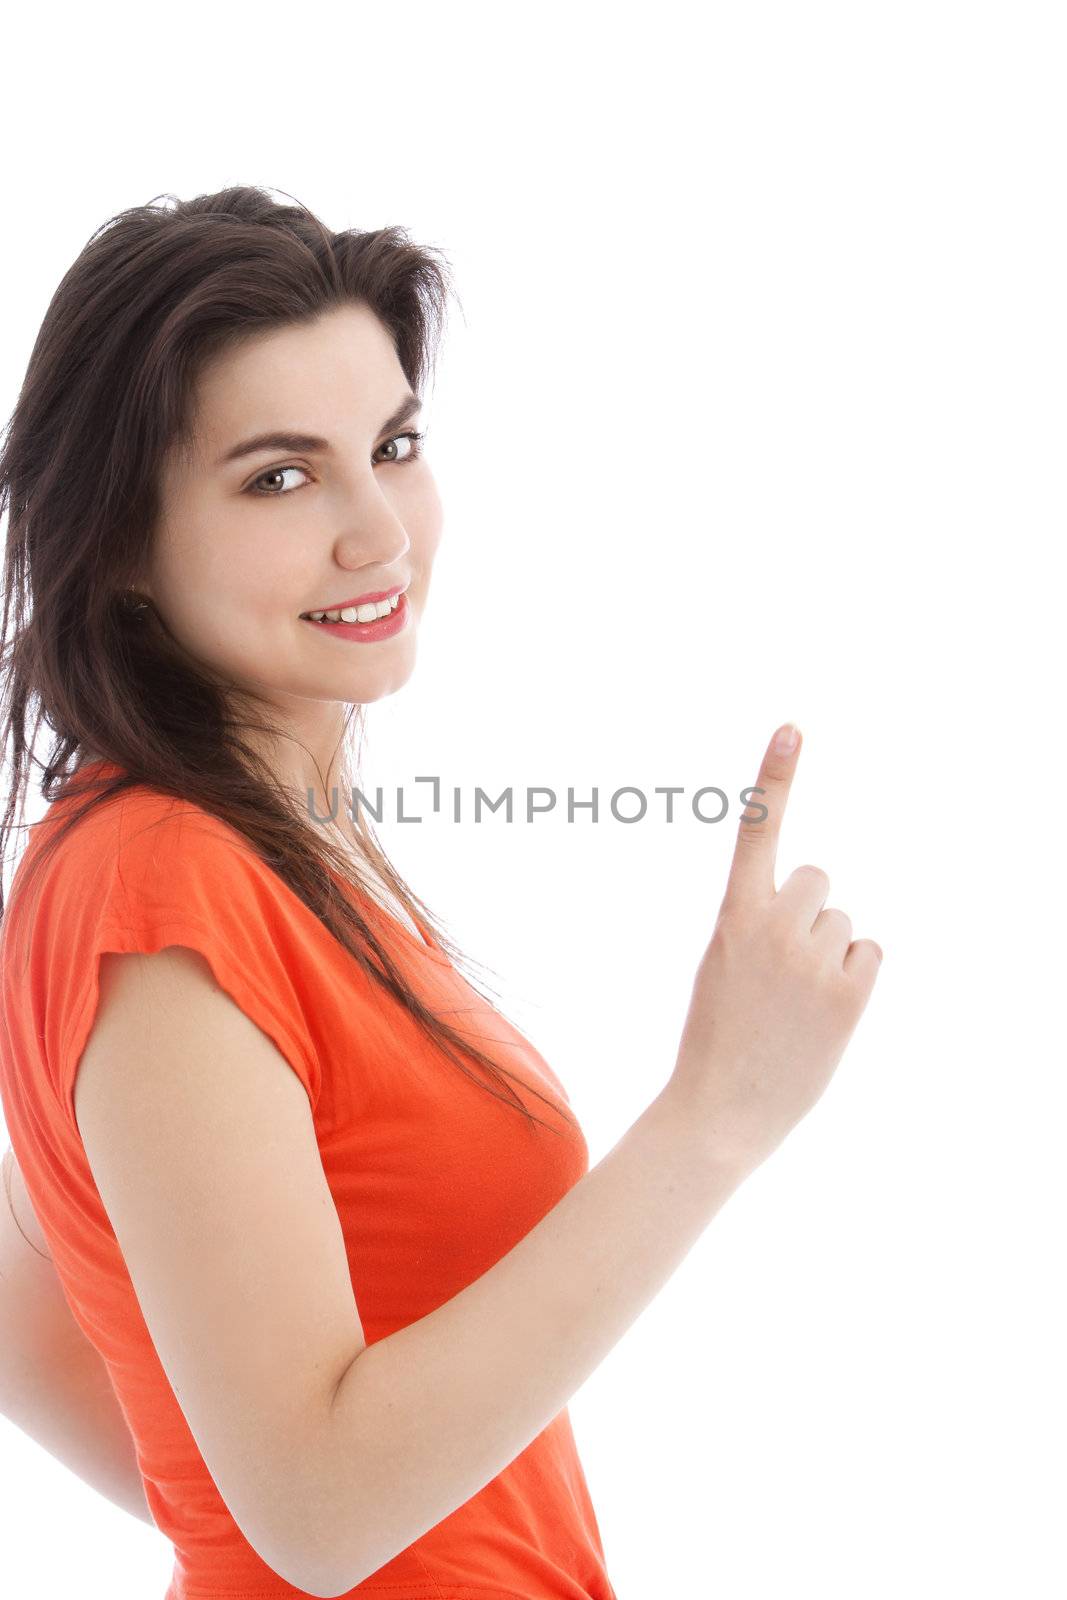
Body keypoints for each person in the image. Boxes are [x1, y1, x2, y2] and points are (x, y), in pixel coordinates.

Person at [0, 185, 882, 1600]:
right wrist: (714, 1117)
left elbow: (24, 1287)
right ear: (117, 543)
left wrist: (235, 1507)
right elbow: (320, 1513)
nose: (377, 533)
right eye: (278, 477)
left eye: (393, 446)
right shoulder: (163, 888)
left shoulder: (222, 847)